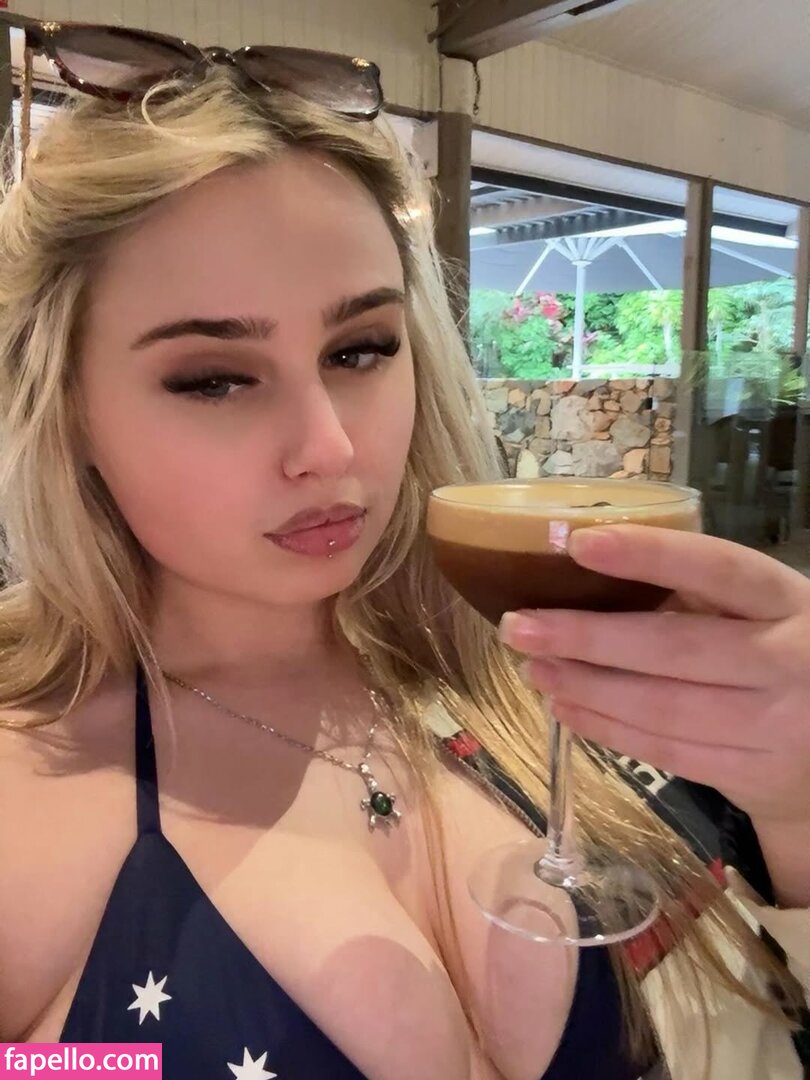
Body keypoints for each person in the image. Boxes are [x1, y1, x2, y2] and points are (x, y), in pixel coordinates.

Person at [0, 19, 808, 1080]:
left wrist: (797, 803)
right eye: (213, 378)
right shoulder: (25, 785)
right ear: (65, 408)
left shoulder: (544, 658)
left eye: (360, 350)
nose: (331, 449)